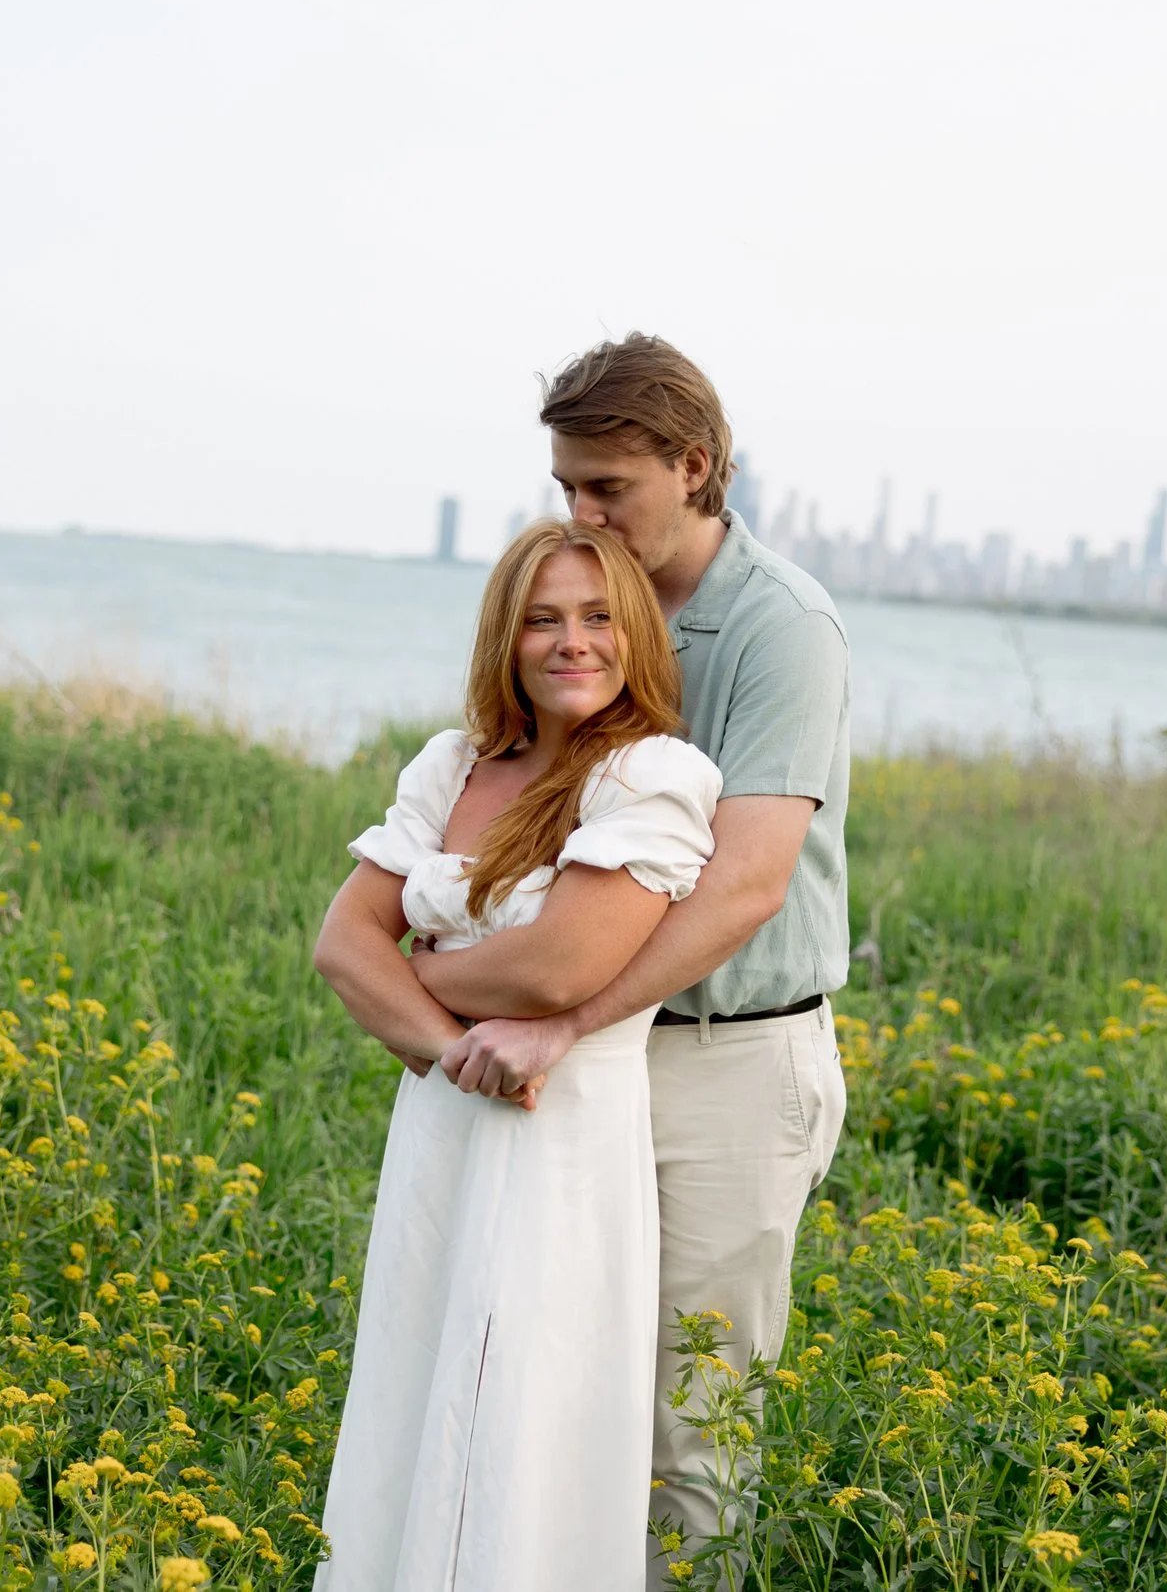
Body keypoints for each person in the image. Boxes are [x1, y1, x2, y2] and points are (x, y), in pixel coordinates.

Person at [428, 335, 852, 1585]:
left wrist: (560, 1013)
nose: (581, 513)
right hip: (587, 1056)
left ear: (696, 466)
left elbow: (746, 884)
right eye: (567, 487)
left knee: (690, 1420)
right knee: (549, 1393)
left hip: (719, 1062)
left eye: (608, 488)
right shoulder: (581, 612)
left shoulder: (781, 629)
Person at [310, 518, 723, 1590]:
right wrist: (449, 1045)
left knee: (524, 1417)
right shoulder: (452, 766)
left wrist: (402, 978)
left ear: (635, 632)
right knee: (415, 1381)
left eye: (596, 618)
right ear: (505, 638)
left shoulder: (654, 775)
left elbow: (555, 970)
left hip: (560, 1138)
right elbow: (339, 942)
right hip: (452, 1109)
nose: (570, 641)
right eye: (541, 619)